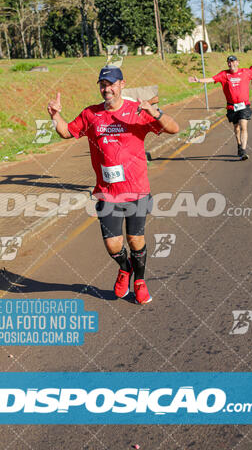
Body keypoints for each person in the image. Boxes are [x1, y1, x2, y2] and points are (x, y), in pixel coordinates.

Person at [47, 67, 179, 305]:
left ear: (121, 85)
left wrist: (155, 112)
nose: (106, 89)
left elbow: (173, 128)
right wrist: (55, 116)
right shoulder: (91, 114)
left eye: (111, 84)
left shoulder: (138, 111)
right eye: (102, 84)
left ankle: (139, 281)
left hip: (137, 191)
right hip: (108, 193)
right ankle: (124, 268)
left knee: (135, 240)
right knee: (112, 245)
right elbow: (67, 132)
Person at [188, 55, 252, 160]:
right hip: (231, 106)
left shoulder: (245, 72)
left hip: (244, 105)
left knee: (243, 125)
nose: (231, 64)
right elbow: (212, 79)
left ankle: (243, 150)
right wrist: (199, 80)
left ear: (237, 62)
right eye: (229, 62)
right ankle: (239, 145)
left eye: (233, 62)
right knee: (236, 128)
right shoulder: (224, 74)